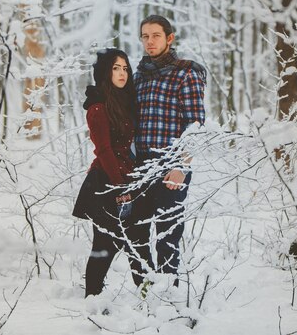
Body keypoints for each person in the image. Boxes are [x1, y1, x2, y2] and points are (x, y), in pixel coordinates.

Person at [73, 48, 152, 297]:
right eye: (116, 68)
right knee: (105, 244)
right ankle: (92, 300)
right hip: (107, 182)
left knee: (139, 241)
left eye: (125, 68)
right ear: (105, 72)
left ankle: (149, 296)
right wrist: (121, 188)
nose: (122, 73)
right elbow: (104, 150)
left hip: (130, 178)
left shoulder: (124, 101)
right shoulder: (97, 106)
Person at [134, 15, 206, 281]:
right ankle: (144, 291)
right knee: (137, 234)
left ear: (169, 38)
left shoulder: (186, 72)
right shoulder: (139, 75)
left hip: (170, 166)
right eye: (145, 36)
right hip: (139, 166)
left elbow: (195, 125)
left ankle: (168, 297)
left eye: (155, 36)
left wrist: (181, 167)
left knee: (167, 237)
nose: (149, 41)